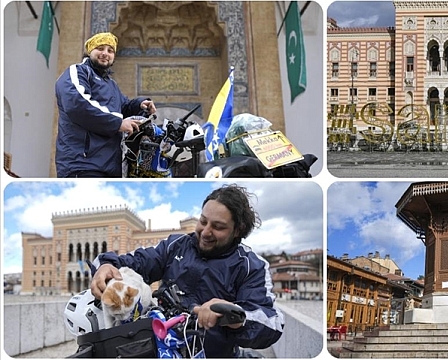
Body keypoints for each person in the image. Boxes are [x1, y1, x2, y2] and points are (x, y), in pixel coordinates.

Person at [90, 184, 284, 357]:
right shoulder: (175, 245)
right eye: (203, 221)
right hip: (162, 349)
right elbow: (134, 261)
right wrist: (106, 266)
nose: (206, 232)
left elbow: (271, 324)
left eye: (218, 227)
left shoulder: (252, 266)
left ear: (238, 230)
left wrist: (232, 314)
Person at [55, 32, 157, 178]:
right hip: (82, 163)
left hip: (110, 166)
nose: (105, 54)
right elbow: (78, 104)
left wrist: (140, 104)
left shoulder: (111, 84)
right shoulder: (78, 71)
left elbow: (123, 108)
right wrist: (117, 123)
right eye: (100, 48)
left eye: (110, 50)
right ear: (90, 51)